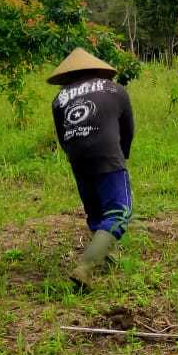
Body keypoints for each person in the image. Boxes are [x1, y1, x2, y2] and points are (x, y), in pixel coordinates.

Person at [47, 48, 135, 289]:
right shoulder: (115, 90)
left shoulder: (59, 99)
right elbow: (127, 129)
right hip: (108, 156)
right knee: (119, 212)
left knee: (96, 213)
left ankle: (105, 258)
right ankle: (86, 266)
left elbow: (62, 137)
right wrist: (121, 157)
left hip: (78, 158)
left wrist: (77, 159)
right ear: (97, 69)